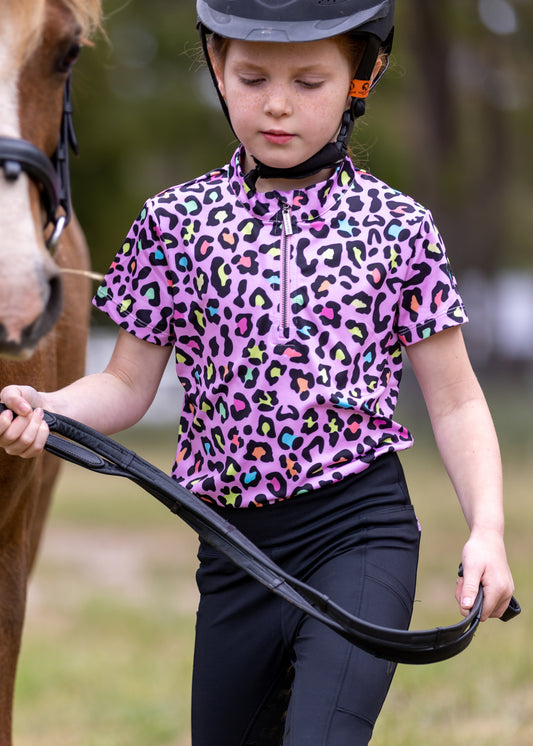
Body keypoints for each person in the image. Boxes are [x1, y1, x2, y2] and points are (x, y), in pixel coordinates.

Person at [0, 1, 515, 744]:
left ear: (360, 79)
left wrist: (488, 531)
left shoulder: (398, 228)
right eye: (250, 77)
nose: (276, 104)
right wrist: (47, 405)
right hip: (233, 550)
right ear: (217, 69)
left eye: (308, 81)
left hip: (358, 534)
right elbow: (124, 387)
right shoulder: (172, 225)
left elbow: (459, 403)